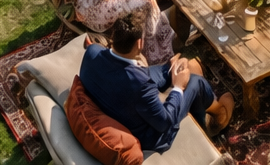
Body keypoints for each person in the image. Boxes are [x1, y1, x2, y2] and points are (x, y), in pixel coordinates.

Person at [79, 14, 234, 150]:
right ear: (140, 43)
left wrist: (171, 70)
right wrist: (178, 87)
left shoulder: (92, 52)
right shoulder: (141, 85)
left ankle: (182, 74)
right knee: (196, 82)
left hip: (120, 90)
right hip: (152, 134)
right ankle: (217, 121)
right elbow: (164, 122)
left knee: (170, 67)